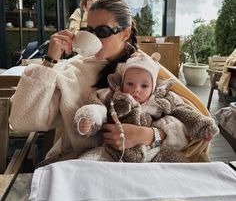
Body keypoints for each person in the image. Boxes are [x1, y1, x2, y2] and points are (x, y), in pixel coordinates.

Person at [9, 0, 214, 165]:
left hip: (142, 168)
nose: (94, 37)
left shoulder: (147, 69)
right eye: (89, 31)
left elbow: (194, 122)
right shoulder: (74, 70)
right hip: (80, 165)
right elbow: (21, 119)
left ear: (124, 33)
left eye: (103, 31)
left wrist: (149, 135)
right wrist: (50, 60)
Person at [74, 52, 219, 162]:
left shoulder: (162, 100)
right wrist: (89, 118)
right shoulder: (113, 97)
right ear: (122, 82)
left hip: (154, 152)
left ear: (154, 87)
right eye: (130, 84)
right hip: (113, 152)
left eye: (144, 85)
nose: (136, 89)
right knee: (87, 162)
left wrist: (202, 126)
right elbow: (97, 107)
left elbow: (184, 112)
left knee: (181, 166)